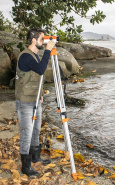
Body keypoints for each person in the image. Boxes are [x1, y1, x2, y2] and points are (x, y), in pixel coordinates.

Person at [15, 28, 55, 176]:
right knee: (27, 132)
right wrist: (48, 51)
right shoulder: (26, 56)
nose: (44, 42)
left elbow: (38, 77)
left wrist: (41, 93)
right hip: (25, 101)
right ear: (33, 40)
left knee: (36, 129)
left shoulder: (35, 55)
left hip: (35, 98)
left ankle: (35, 157)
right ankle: (25, 166)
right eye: (41, 39)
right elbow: (40, 69)